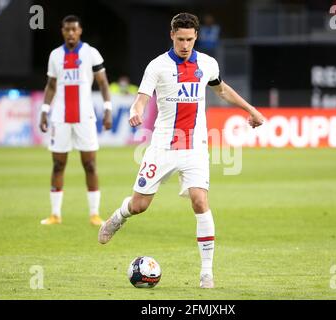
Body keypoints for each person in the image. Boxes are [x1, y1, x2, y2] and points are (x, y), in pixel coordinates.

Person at [98, 12, 265, 288]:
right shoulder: (157, 66)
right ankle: (118, 217)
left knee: (200, 201)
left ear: (196, 37)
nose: (185, 45)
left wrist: (250, 110)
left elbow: (221, 90)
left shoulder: (208, 64)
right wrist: (135, 111)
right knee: (139, 205)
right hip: (163, 145)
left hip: (195, 147)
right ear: (171, 35)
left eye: (189, 39)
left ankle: (207, 273)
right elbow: (141, 99)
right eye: (180, 39)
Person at [39, 15, 113, 226]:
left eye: (74, 29)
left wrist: (108, 110)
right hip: (60, 117)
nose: (71, 33)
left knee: (90, 164)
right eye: (67, 29)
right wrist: (44, 110)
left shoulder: (90, 53)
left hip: (85, 117)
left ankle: (94, 214)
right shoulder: (55, 55)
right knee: (57, 165)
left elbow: (104, 84)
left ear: (80, 31)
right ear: (62, 31)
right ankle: (55, 214)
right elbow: (51, 85)